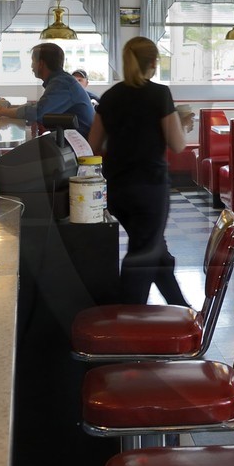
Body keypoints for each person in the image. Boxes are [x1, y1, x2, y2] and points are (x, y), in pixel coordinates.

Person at [89, 37, 188, 307]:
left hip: (117, 190)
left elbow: (92, 147)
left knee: (154, 248)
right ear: (154, 63)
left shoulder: (110, 97)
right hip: (149, 189)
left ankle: (183, 309)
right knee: (144, 253)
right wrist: (184, 125)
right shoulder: (159, 94)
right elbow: (178, 145)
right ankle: (127, 320)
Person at [0, 43, 94, 136]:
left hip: (79, 142)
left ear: (41, 64)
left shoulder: (61, 84)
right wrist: (10, 107)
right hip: (72, 137)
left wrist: (3, 111)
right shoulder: (61, 81)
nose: (31, 66)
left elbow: (37, 113)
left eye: (33, 61)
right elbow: (40, 106)